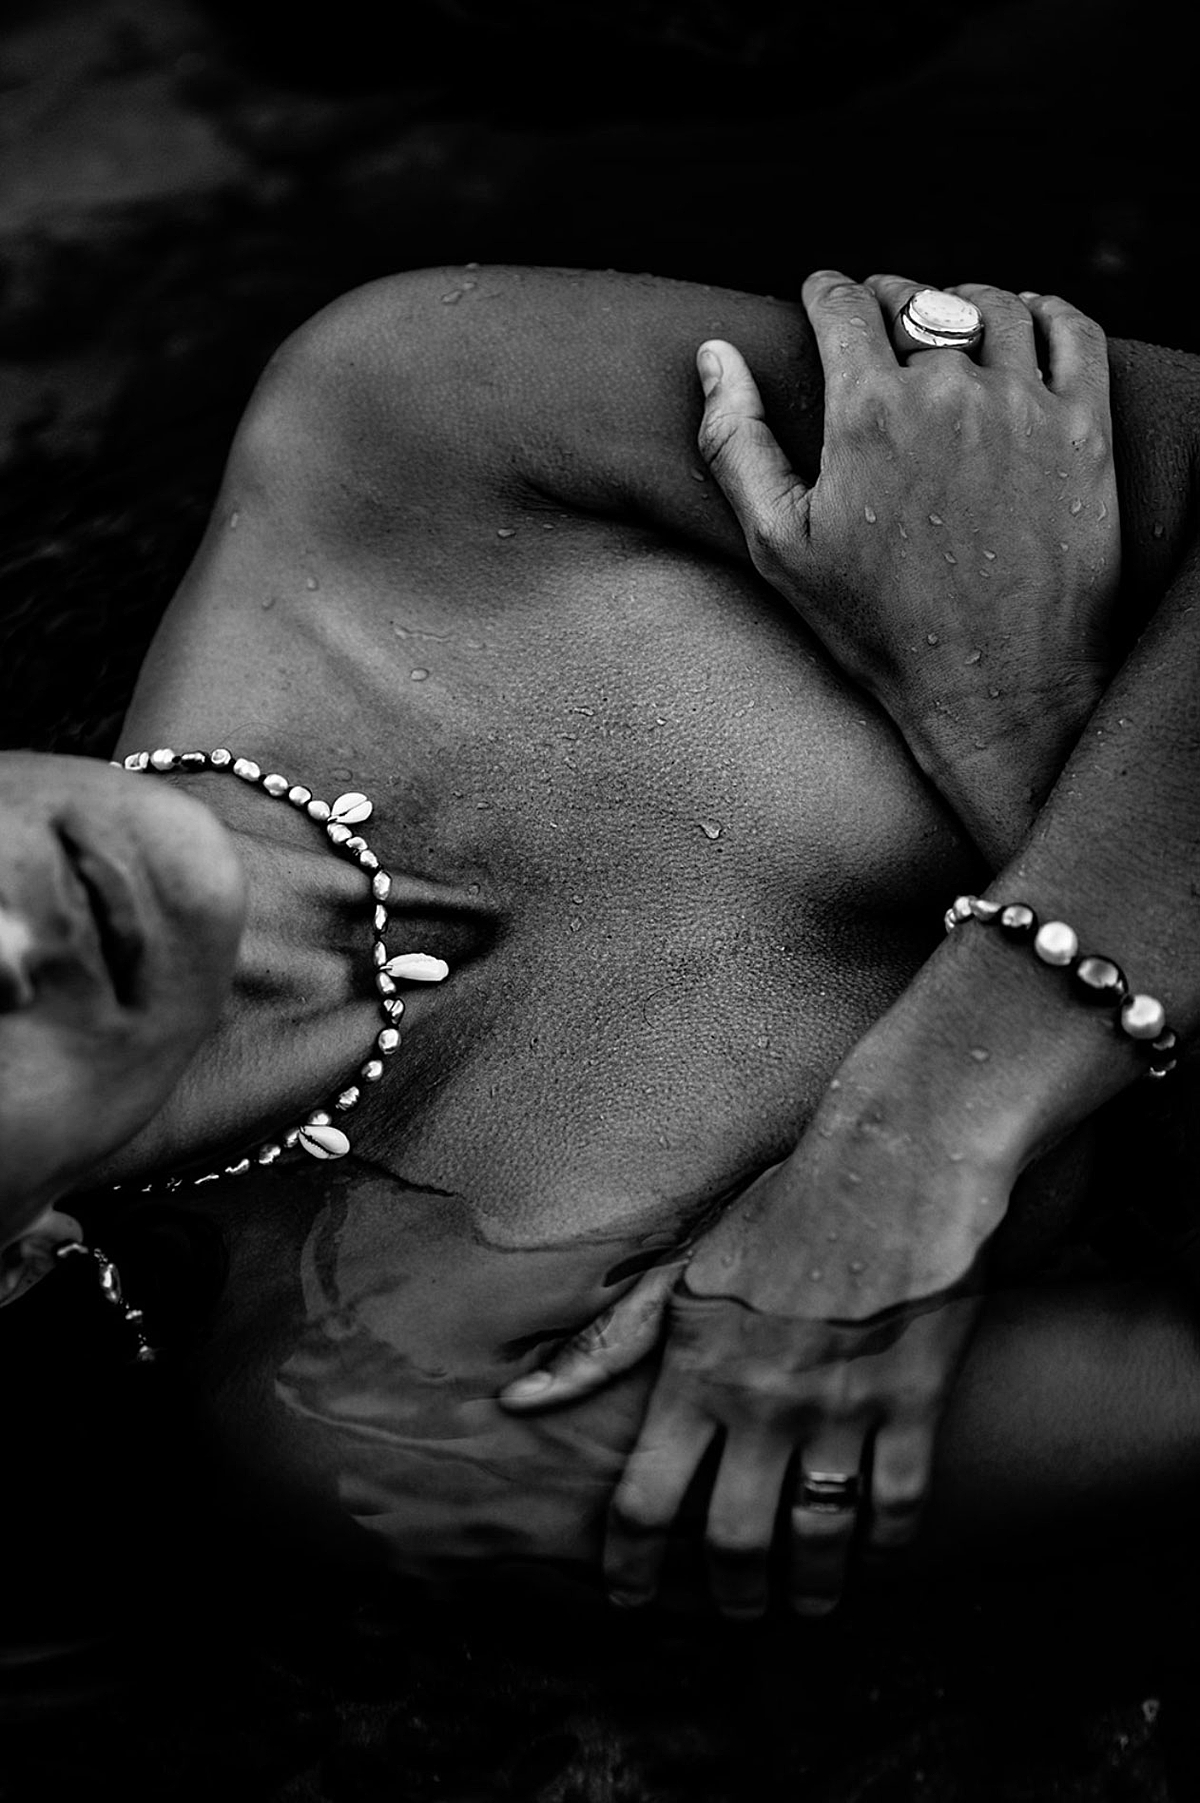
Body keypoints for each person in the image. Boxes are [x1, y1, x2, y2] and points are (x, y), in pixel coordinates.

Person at [4, 264, 1200, 1624]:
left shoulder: (399, 436)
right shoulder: (420, 1401)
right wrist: (1016, 707)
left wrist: (937, 1120)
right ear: (17, 1259)